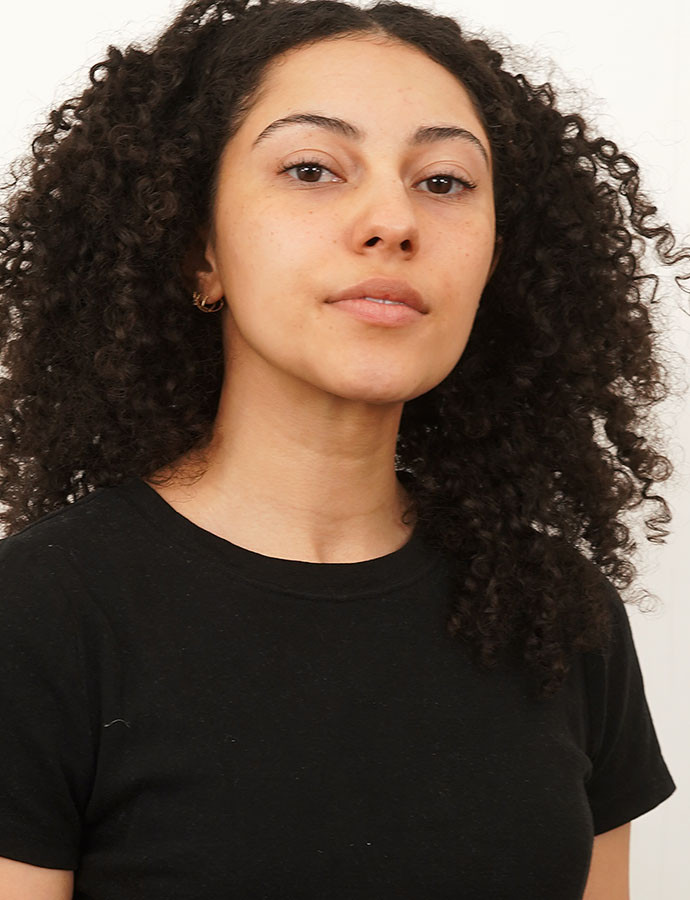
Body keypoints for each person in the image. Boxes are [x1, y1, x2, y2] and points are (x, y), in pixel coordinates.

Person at [0, 0, 685, 897]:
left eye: (444, 182)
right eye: (312, 168)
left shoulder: (558, 612)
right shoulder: (38, 615)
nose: (392, 220)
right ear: (200, 251)